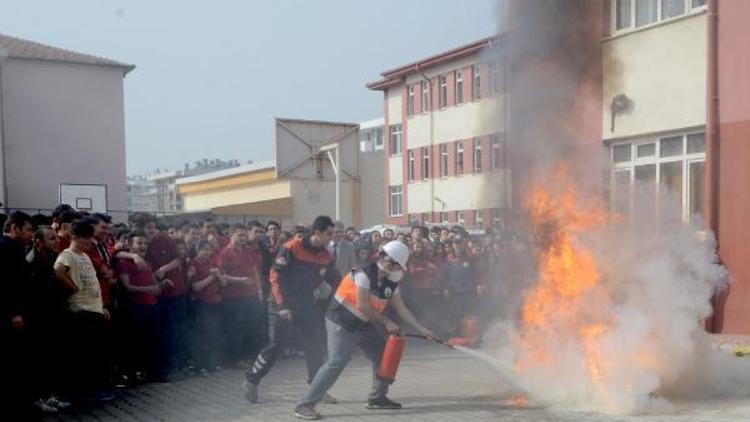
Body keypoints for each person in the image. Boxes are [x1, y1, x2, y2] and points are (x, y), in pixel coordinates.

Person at [293, 241, 436, 420]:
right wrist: (386, 322)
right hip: (341, 319)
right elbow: (362, 305)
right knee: (338, 360)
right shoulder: (363, 272)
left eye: (394, 263)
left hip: (363, 322)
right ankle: (304, 405)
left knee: (383, 356)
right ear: (382, 256)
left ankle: (377, 398)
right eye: (387, 259)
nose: (388, 264)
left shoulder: (394, 278)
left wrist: (423, 329)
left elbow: (401, 308)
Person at [243, 216, 340, 404]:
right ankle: (251, 380)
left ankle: (316, 388)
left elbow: (336, 280)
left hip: (305, 303)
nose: (332, 238)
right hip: (281, 303)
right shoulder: (292, 247)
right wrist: (282, 306)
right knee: (277, 346)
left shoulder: (326, 255)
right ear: (317, 233)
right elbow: (275, 277)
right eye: (329, 234)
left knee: (315, 345)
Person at [54, 219, 114, 403]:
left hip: (94, 309)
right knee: (85, 355)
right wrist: (72, 287)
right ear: (74, 237)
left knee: (96, 353)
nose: (89, 242)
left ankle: (94, 389)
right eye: (85, 238)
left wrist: (101, 306)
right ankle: (85, 392)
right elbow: (58, 270)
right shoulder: (68, 255)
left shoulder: (85, 256)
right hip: (81, 310)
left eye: (90, 237)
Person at [116, 231, 170, 382]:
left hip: (151, 305)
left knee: (152, 340)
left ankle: (151, 373)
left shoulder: (148, 263)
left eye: (145, 243)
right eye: (139, 243)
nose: (143, 246)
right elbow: (127, 287)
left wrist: (162, 284)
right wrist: (149, 289)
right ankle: (134, 374)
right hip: (136, 307)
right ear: (131, 245)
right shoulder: (124, 263)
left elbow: (153, 283)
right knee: (136, 342)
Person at [0, 211, 37, 417]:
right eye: (28, 230)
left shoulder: (15, 248)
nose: (30, 235)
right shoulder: (6, 248)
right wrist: (14, 312)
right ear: (14, 228)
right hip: (12, 316)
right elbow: (6, 284)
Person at [218, 223, 263, 367]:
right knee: (236, 329)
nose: (243, 238)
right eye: (239, 235)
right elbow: (221, 276)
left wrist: (259, 289)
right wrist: (240, 281)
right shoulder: (224, 253)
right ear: (231, 235)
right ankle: (236, 359)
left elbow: (255, 269)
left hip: (251, 295)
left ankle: (250, 357)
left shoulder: (248, 251)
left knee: (251, 327)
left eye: (244, 235)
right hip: (234, 296)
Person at [189, 240, 223, 375]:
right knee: (201, 335)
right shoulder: (193, 264)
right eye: (204, 249)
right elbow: (195, 287)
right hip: (200, 303)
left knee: (212, 334)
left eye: (209, 249)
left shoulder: (212, 263)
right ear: (197, 250)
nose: (208, 252)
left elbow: (223, 282)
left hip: (214, 302)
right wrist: (211, 276)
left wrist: (218, 275)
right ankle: (199, 366)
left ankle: (211, 364)